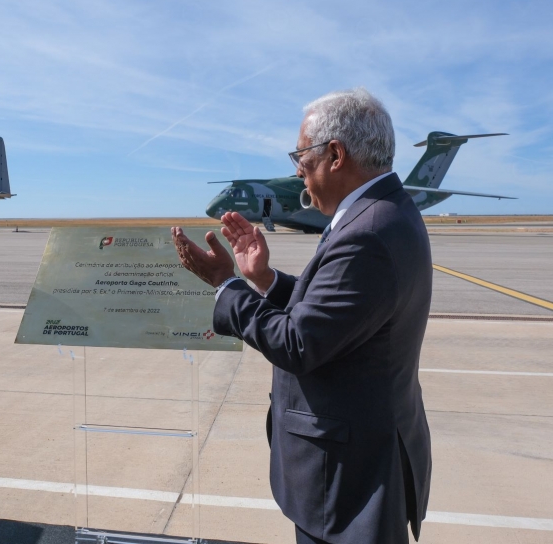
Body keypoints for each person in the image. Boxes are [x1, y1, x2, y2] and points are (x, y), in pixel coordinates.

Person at [172, 88, 432, 544]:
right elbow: (340, 315)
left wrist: (226, 286)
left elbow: (299, 343)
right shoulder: (385, 214)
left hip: (348, 479)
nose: (297, 171)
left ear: (335, 155)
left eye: (302, 157)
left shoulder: (366, 233)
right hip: (362, 458)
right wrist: (267, 279)